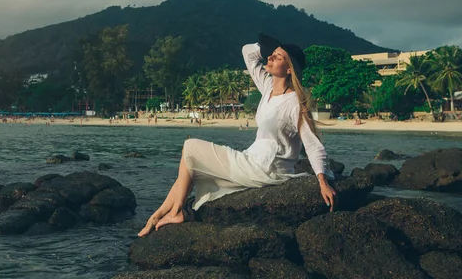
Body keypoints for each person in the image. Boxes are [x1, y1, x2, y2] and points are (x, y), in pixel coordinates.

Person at [138, 33, 337, 237]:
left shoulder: (294, 102)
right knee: (191, 166)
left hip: (266, 168)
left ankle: (177, 211)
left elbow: (312, 144)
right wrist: (272, 47)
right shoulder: (267, 87)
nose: (270, 58)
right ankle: (159, 214)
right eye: (271, 55)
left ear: (289, 69)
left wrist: (322, 181)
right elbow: (248, 52)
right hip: (252, 160)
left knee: (191, 148)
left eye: (277, 57)